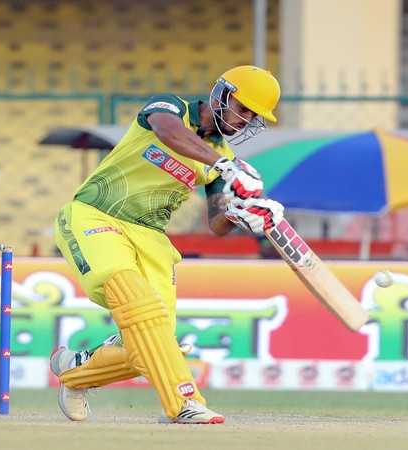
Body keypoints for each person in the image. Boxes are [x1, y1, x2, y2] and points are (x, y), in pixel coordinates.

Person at [50, 65, 285, 424]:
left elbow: (217, 222)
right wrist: (226, 165)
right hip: (96, 215)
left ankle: (75, 373)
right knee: (138, 307)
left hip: (151, 238)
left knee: (151, 340)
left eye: (253, 117)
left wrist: (243, 215)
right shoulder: (171, 108)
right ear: (222, 94)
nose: (244, 121)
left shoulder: (220, 159)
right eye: (243, 108)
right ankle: (183, 403)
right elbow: (168, 131)